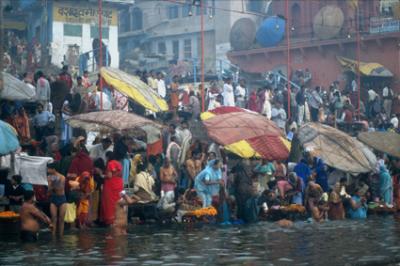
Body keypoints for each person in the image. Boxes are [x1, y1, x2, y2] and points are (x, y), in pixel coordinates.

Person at [101, 152, 124, 225]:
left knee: (109, 202)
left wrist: (102, 175)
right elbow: (120, 174)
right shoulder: (119, 163)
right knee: (117, 201)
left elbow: (109, 176)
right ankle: (117, 219)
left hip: (110, 185)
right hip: (119, 184)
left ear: (108, 157)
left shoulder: (110, 163)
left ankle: (110, 220)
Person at [47, 163, 67, 237]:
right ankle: (53, 236)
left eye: (49, 168)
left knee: (61, 219)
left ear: (53, 169)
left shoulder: (62, 177)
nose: (48, 170)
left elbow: (60, 188)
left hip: (62, 198)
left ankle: (61, 235)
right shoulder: (49, 177)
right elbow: (48, 189)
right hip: (53, 198)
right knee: (53, 218)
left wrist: (52, 184)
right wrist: (52, 184)